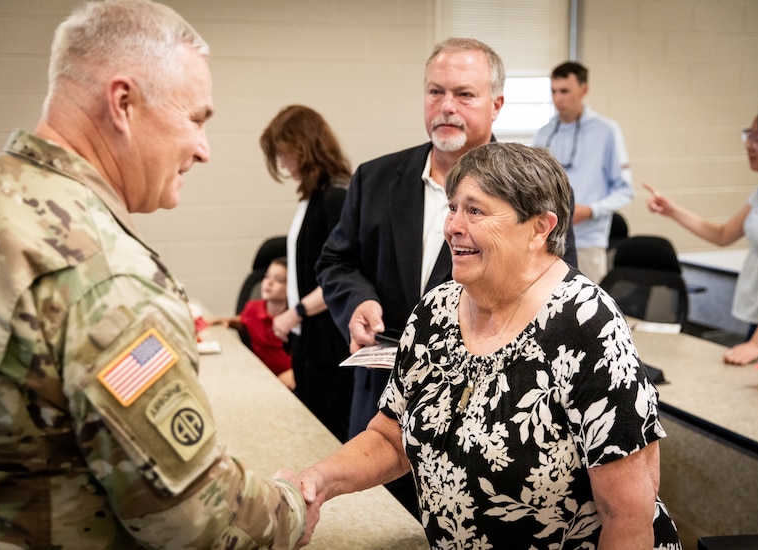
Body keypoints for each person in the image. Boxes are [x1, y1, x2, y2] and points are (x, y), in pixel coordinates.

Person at [0, 1, 306, 547]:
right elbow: (194, 521)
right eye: (195, 118)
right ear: (122, 103)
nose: (203, 149)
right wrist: (290, 506)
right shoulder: (106, 278)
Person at [292, 142, 682, 549]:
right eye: (453, 207)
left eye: (475, 211)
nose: (452, 226)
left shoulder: (587, 327)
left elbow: (627, 514)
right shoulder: (435, 311)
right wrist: (319, 481)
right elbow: (392, 437)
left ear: (539, 228)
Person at [316, 37, 578, 519]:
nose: (446, 108)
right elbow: (336, 261)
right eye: (435, 92)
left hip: (482, 424)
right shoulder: (375, 178)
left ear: (497, 104)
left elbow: (555, 291)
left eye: (464, 94)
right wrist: (357, 303)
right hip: (380, 412)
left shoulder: (532, 190)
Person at [645, 103, 758, 365]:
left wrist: (757, 344)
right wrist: (672, 211)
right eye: (749, 135)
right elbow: (723, 234)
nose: (749, 144)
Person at [259, 105, 353, 442]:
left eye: (284, 154)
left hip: (330, 340)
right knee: (310, 427)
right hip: (310, 335)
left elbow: (342, 275)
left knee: (329, 432)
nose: (283, 164)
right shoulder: (312, 197)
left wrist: (294, 313)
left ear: (305, 148)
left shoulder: (335, 197)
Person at [534, 60, 633, 283]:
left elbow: (624, 191)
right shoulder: (544, 133)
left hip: (588, 242)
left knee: (587, 312)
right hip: (547, 240)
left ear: (583, 89)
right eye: (553, 91)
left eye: (565, 91)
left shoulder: (606, 131)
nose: (557, 99)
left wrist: (590, 210)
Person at [209, 257, 295, 390]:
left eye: (279, 280)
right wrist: (226, 321)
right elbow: (245, 321)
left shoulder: (295, 320)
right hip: (259, 378)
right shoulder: (253, 308)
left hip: (287, 382)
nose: (269, 282)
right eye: (267, 276)